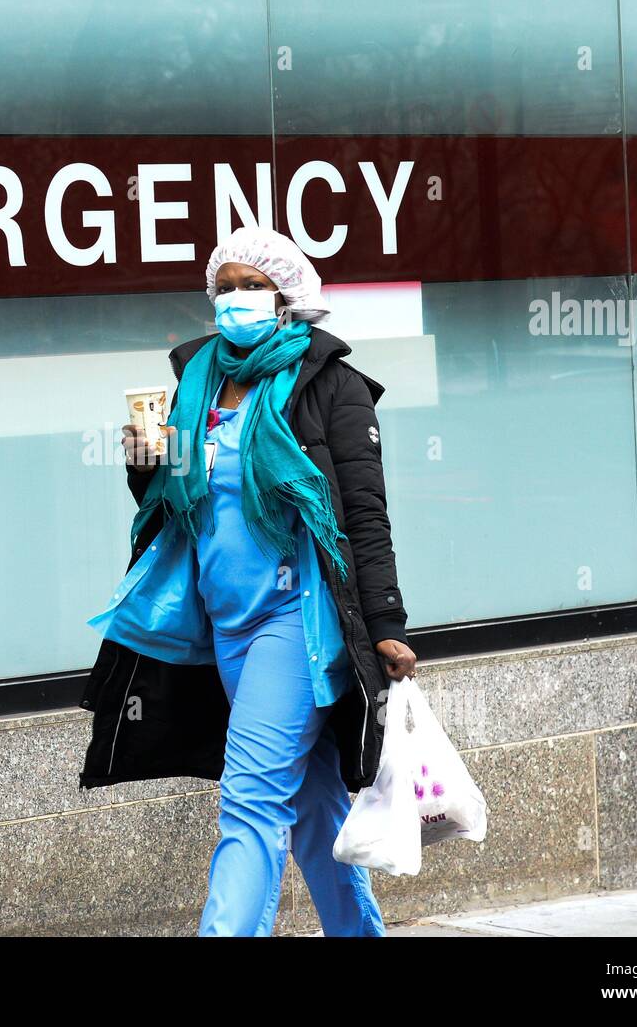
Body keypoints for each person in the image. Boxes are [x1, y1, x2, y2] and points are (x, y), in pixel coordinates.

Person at [87, 225, 417, 937]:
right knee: (313, 808)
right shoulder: (198, 378)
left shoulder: (329, 385)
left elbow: (363, 513)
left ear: (286, 295)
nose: (235, 297)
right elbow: (174, 500)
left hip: (294, 619)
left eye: (252, 285)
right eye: (225, 286)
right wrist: (146, 461)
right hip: (223, 623)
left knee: (252, 798)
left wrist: (386, 623)